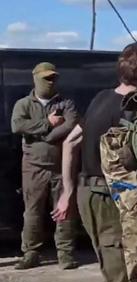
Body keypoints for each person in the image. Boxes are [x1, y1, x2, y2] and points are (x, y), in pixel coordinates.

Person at [52, 43, 137, 282]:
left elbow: (69, 141)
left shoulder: (100, 98)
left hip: (87, 195)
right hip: (113, 201)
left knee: (113, 274)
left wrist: (68, 191)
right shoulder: (132, 108)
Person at [11, 62, 79, 270]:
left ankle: (65, 253)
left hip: (61, 166)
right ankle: (31, 252)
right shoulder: (24, 104)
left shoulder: (66, 103)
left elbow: (71, 123)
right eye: (46, 78)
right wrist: (47, 124)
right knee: (32, 210)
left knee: (65, 211)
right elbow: (17, 126)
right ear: (36, 78)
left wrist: (46, 137)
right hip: (33, 167)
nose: (51, 82)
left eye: (53, 78)